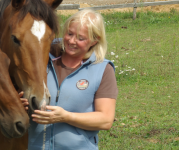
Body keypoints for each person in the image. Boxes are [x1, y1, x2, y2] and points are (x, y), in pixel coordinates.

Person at [20, 9, 118, 150]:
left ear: (94, 40)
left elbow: (105, 120)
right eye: (69, 33)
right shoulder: (41, 61)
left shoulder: (102, 69)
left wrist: (66, 117)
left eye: (80, 38)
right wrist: (20, 103)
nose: (71, 41)